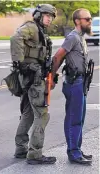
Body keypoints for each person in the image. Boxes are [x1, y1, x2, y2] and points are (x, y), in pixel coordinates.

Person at [10, 4, 57, 165]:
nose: (49, 19)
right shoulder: (31, 27)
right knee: (42, 115)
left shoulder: (40, 31)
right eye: (47, 15)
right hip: (33, 77)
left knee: (28, 114)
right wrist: (20, 63)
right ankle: (35, 153)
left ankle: (21, 149)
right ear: (38, 15)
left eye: (51, 16)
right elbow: (15, 38)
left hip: (33, 76)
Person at [50, 8, 93, 165]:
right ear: (77, 21)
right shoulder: (73, 37)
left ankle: (77, 149)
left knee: (79, 118)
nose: (90, 21)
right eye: (87, 19)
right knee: (74, 119)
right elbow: (57, 57)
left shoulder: (81, 38)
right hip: (74, 82)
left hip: (80, 82)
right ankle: (73, 153)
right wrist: (52, 78)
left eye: (90, 19)